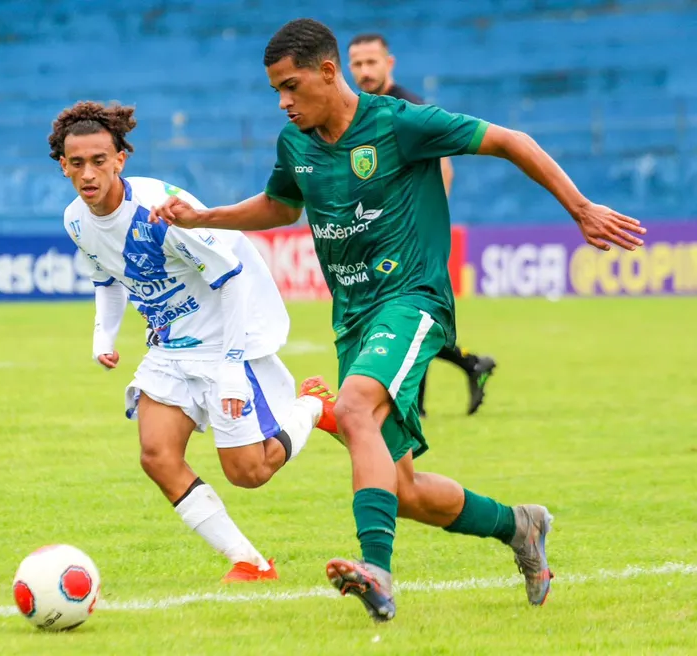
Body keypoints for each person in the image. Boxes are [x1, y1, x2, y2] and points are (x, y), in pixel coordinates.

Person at [151, 18, 645, 621]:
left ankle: (377, 573)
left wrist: (581, 208)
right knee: (400, 488)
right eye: (274, 90)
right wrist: (208, 218)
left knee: (354, 407)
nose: (282, 102)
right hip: (353, 318)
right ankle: (521, 527)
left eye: (291, 86)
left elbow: (511, 139)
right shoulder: (296, 145)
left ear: (328, 72)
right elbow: (281, 204)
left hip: (412, 300)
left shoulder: (398, 123)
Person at [49, 100, 334, 584]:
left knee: (249, 472)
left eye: (99, 160)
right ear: (63, 166)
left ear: (121, 159)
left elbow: (233, 279)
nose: (88, 173)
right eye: (77, 163)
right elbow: (107, 278)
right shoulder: (76, 220)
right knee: (157, 455)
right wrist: (104, 336)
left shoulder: (161, 213)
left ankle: (312, 407)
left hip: (228, 336)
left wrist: (230, 365)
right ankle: (251, 563)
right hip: (170, 346)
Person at [348, 31, 496, 417]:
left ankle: (416, 408)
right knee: (397, 319)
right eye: (358, 64)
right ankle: (469, 365)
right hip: (379, 239)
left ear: (389, 63)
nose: (364, 71)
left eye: (371, 62)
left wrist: (422, 228)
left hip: (411, 241)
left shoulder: (408, 106)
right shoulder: (357, 111)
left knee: (407, 316)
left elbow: (444, 167)